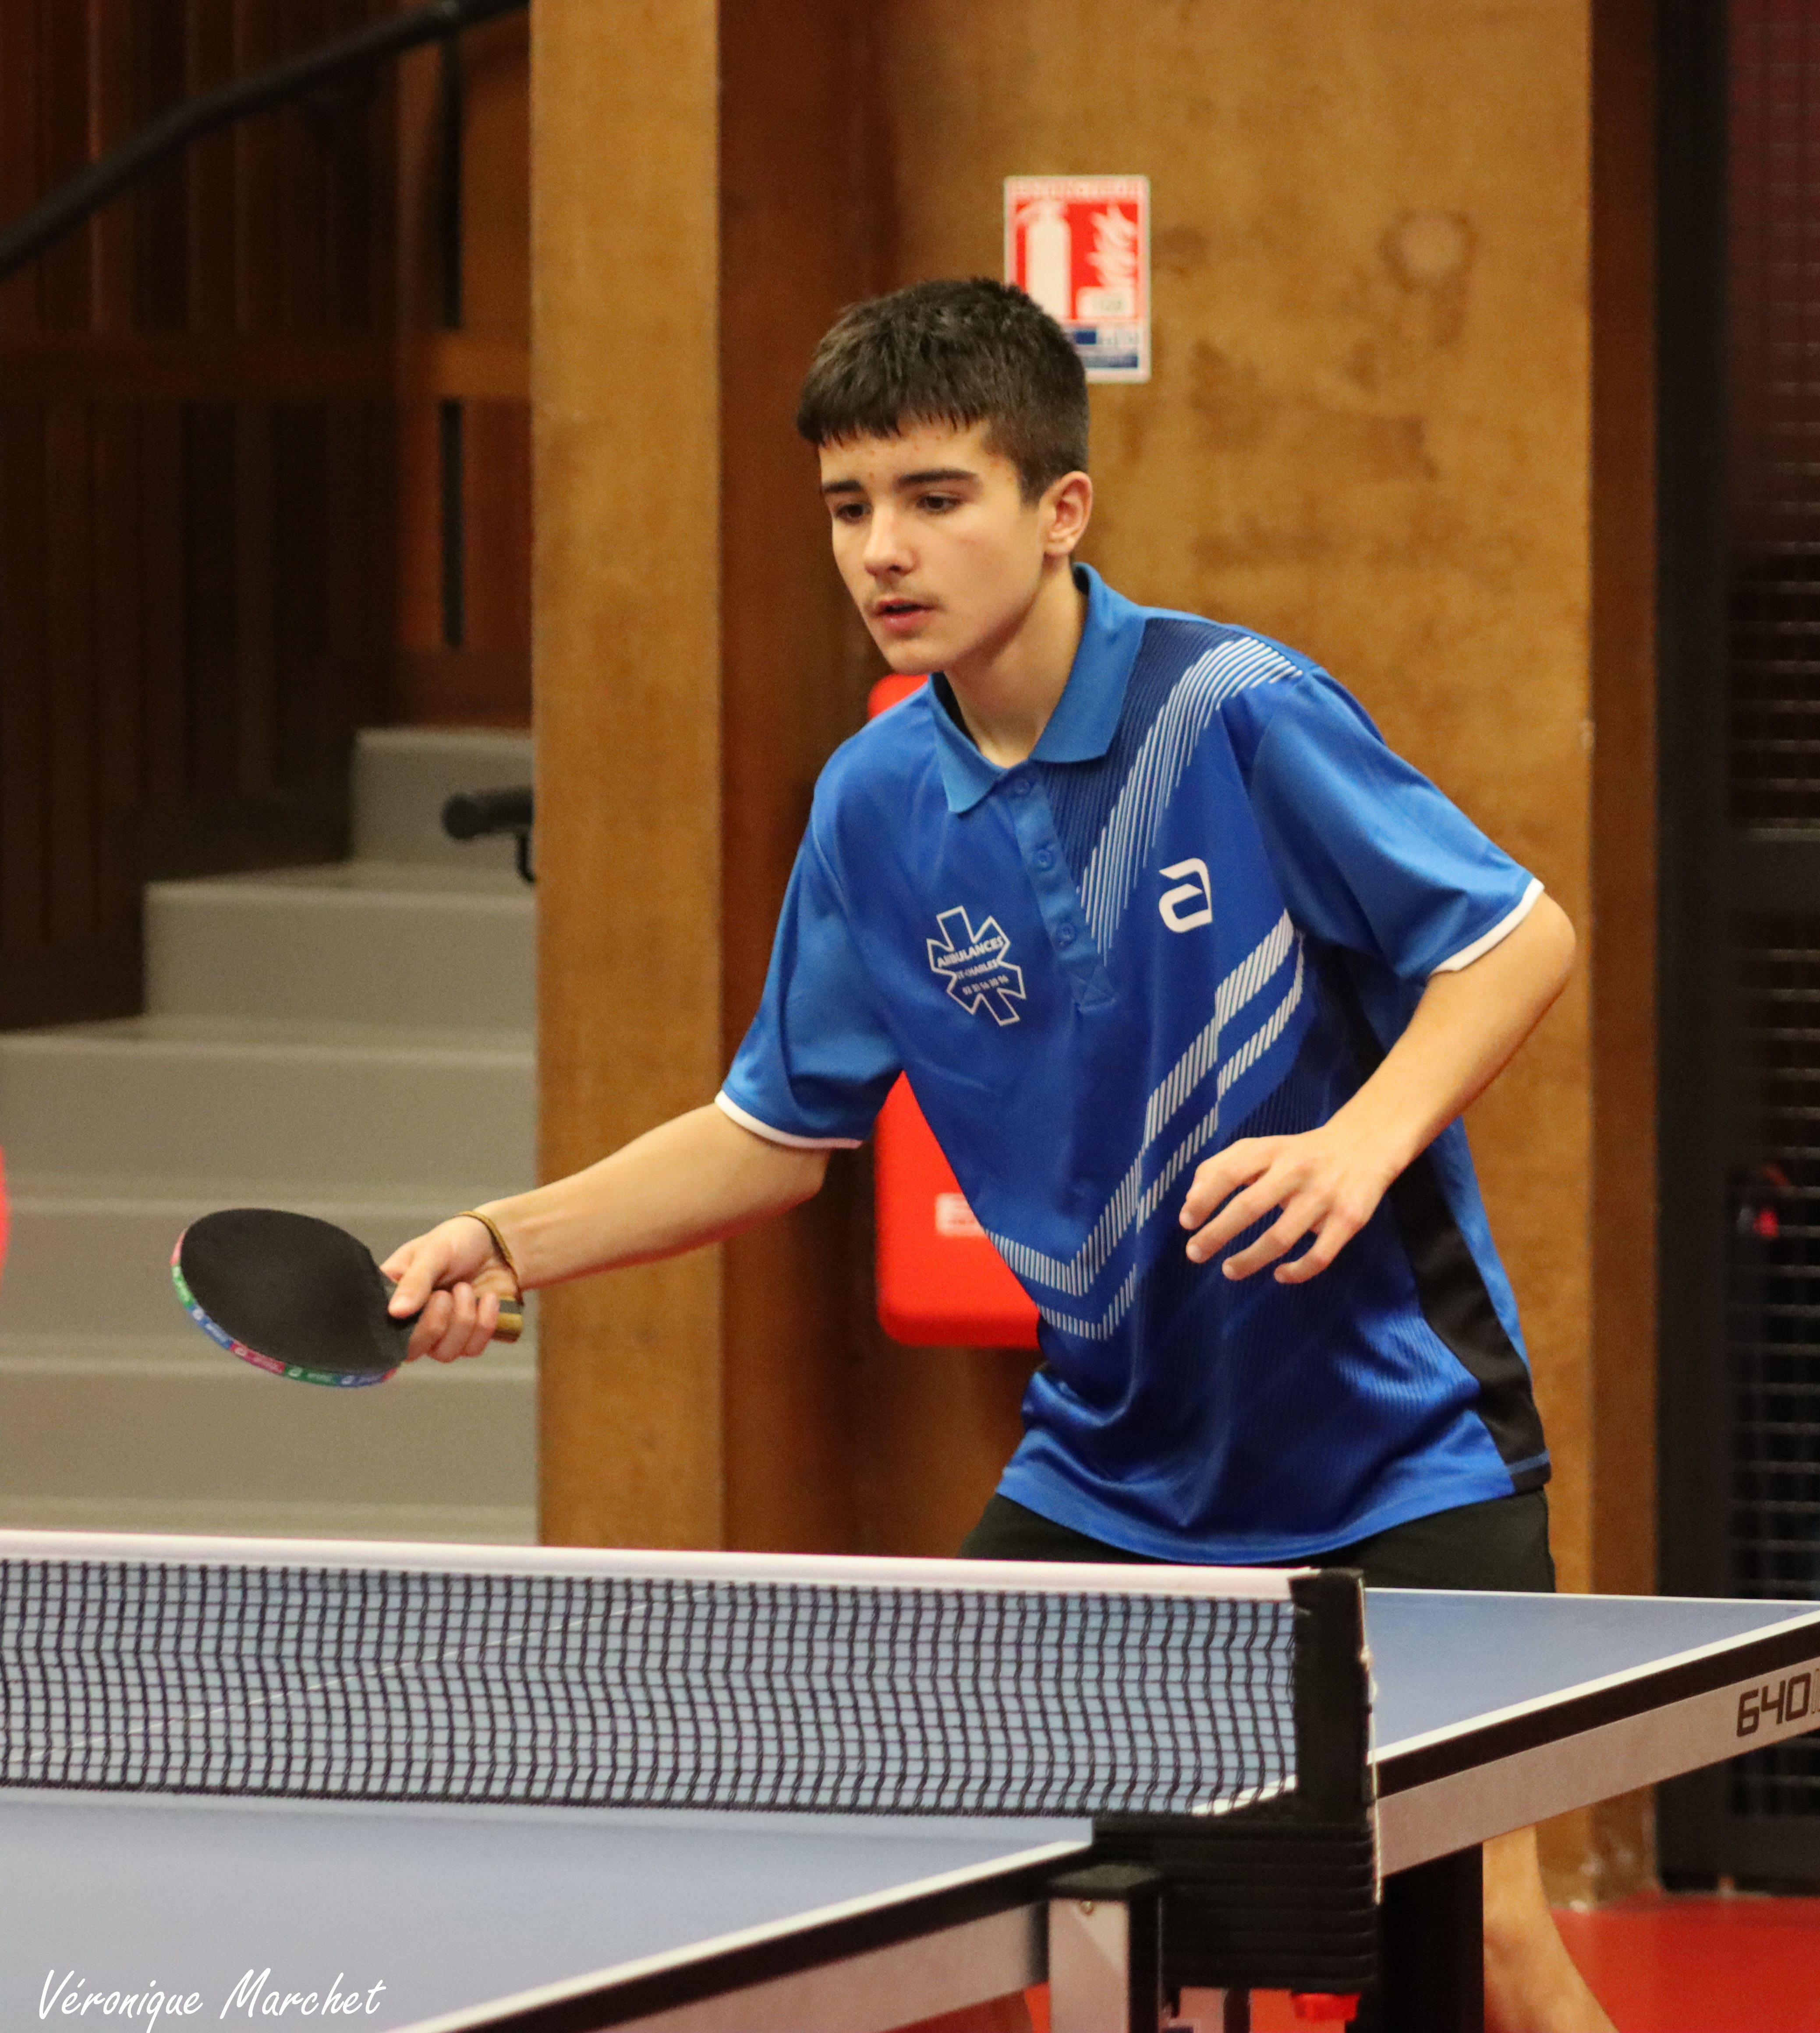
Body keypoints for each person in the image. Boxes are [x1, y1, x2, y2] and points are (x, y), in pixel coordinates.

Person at [381, 277, 1617, 2033]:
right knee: (921, 1914)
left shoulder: (1235, 712)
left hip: (1397, 1455)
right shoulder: (872, 804)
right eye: (848, 506)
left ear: (1060, 509)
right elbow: (768, 1131)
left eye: (935, 495)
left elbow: (1515, 936)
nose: (883, 548)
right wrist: (505, 1241)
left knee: (1479, 1943)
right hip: (1113, 1473)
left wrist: (1358, 1145)